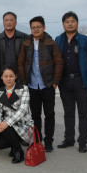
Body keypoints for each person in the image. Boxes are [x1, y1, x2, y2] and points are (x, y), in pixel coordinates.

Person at [17, 16, 63, 152]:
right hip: (31, 85)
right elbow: (20, 63)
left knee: (49, 114)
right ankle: (37, 139)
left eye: (38, 27)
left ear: (44, 27)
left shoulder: (51, 43)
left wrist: (55, 82)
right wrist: (24, 81)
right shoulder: (26, 44)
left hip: (47, 85)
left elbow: (59, 62)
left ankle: (49, 141)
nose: (36, 29)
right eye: (33, 27)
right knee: (34, 115)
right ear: (30, 29)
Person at [55, 11, 87, 153]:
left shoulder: (86, 40)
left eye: (72, 21)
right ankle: (69, 139)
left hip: (80, 81)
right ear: (63, 24)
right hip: (64, 81)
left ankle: (83, 141)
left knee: (83, 113)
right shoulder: (58, 40)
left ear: (77, 23)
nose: (70, 23)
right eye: (67, 21)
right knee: (68, 112)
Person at [0, 67, 34, 163]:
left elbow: (22, 110)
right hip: (7, 125)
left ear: (15, 76)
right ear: (2, 78)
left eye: (11, 76)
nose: (8, 79)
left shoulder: (24, 89)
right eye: (5, 76)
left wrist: (6, 123)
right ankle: (15, 145)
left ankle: (18, 151)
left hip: (23, 123)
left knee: (6, 126)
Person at [0, 12, 28, 83]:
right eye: (6, 20)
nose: (8, 22)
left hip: (20, 76)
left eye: (11, 20)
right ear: (3, 22)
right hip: (3, 77)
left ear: (15, 22)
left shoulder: (24, 38)